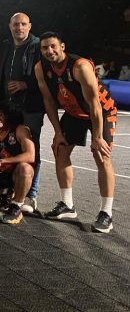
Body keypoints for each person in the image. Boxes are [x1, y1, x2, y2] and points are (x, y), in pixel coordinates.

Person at [35, 32, 118, 233]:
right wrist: (57, 132)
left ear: (62, 46)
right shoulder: (41, 68)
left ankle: (106, 213)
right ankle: (67, 205)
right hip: (73, 112)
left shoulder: (80, 66)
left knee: (101, 155)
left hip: (100, 111)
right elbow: (48, 101)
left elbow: (95, 104)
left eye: (53, 46)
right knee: (60, 148)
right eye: (45, 48)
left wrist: (97, 137)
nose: (49, 51)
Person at [0, 12, 44, 214]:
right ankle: (13, 189)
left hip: (31, 107)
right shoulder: (6, 46)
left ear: (30, 25)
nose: (19, 28)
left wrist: (26, 84)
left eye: (23, 24)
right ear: (10, 26)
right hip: (10, 106)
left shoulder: (37, 46)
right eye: (16, 24)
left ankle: (32, 195)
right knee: (12, 147)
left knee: (33, 149)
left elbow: (47, 75)